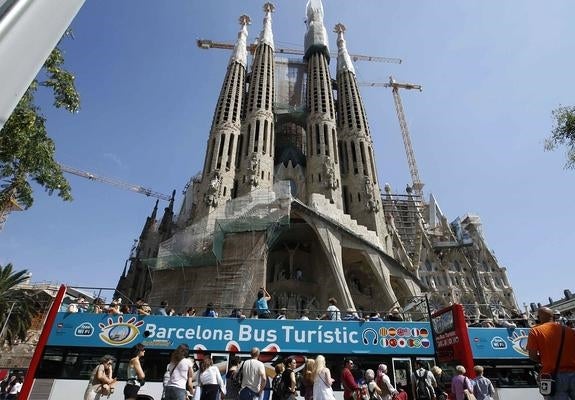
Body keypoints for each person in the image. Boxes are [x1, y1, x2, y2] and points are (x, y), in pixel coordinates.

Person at [527, 306, 575, 399]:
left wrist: (545, 359)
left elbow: (532, 356)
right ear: (553, 316)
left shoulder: (535, 331)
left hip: (553, 376)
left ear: (539, 318)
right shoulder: (569, 331)